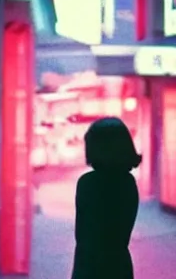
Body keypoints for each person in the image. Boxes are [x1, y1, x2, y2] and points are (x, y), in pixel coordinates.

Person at [71, 117, 142, 279]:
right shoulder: (128, 183)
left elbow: (83, 237)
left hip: (91, 267)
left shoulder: (88, 183)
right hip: (119, 266)